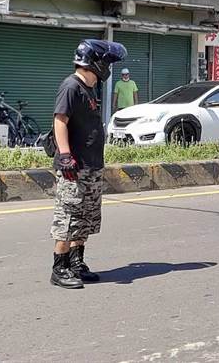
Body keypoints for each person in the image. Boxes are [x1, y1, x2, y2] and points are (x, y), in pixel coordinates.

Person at [50, 39, 127, 289]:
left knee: (86, 218)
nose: (108, 68)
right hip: (75, 166)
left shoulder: (89, 88)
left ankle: (76, 263)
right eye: (106, 63)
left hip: (92, 166)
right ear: (95, 63)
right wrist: (65, 155)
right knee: (69, 217)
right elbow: (60, 120)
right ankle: (59, 268)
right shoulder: (71, 86)